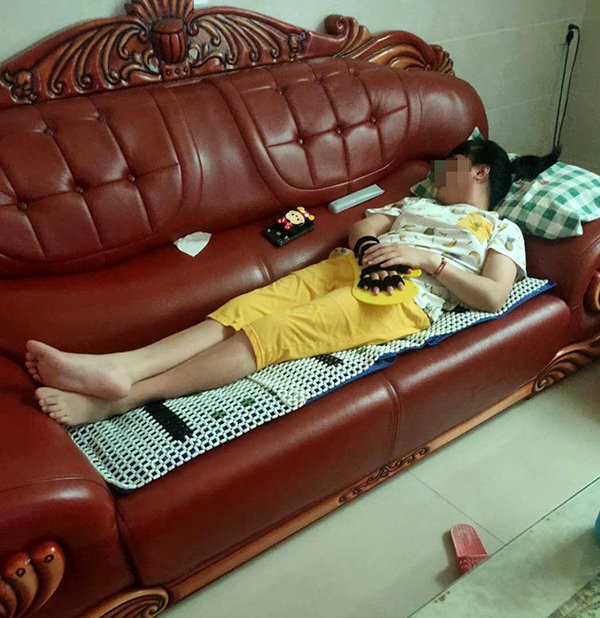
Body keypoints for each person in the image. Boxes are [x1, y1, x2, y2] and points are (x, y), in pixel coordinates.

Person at [27, 138, 559, 427]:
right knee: (243, 308)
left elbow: (493, 296)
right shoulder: (414, 202)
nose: (439, 173)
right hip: (348, 266)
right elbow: (364, 224)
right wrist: (367, 247)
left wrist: (426, 259)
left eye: (452, 164)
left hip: (403, 295)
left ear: (481, 171)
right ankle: (121, 366)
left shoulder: (500, 229)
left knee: (273, 332)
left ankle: (121, 399)